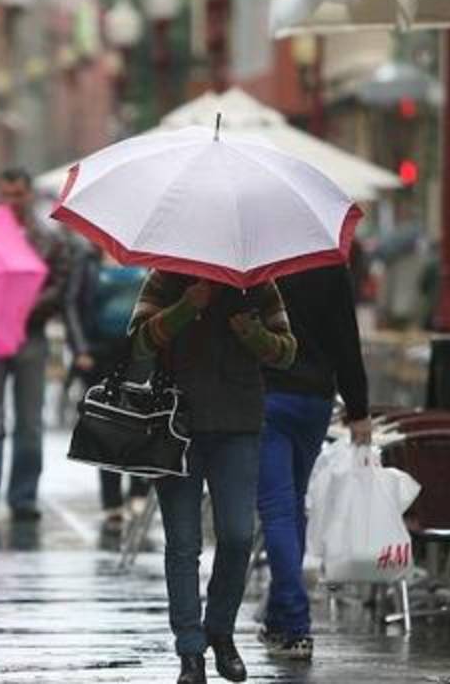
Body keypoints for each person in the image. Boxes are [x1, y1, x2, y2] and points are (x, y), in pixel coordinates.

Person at [129, 272, 296, 684]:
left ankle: (219, 631)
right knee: (183, 545)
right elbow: (137, 343)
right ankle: (190, 652)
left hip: (238, 426)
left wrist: (252, 333)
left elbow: (287, 351)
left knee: (239, 535)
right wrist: (187, 307)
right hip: (175, 428)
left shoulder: (259, 285)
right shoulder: (165, 278)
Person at [256, 264, 369, 661]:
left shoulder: (256, 259)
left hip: (268, 395)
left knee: (277, 510)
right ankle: (278, 615)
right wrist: (359, 408)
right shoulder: (327, 263)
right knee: (292, 504)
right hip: (315, 400)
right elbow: (345, 335)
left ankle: (296, 623)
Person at [0, 168, 72, 522]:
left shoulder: (48, 239)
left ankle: (23, 496)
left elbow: (61, 284)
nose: (10, 202)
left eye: (17, 194)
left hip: (29, 334)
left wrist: (27, 305)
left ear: (29, 195)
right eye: (5, 194)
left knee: (29, 420)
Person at [63, 241, 150, 531]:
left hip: (139, 350)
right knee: (105, 425)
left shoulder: (146, 256)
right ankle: (111, 499)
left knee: (139, 421)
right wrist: (80, 349)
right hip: (98, 353)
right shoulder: (87, 259)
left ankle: (138, 489)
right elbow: (72, 304)